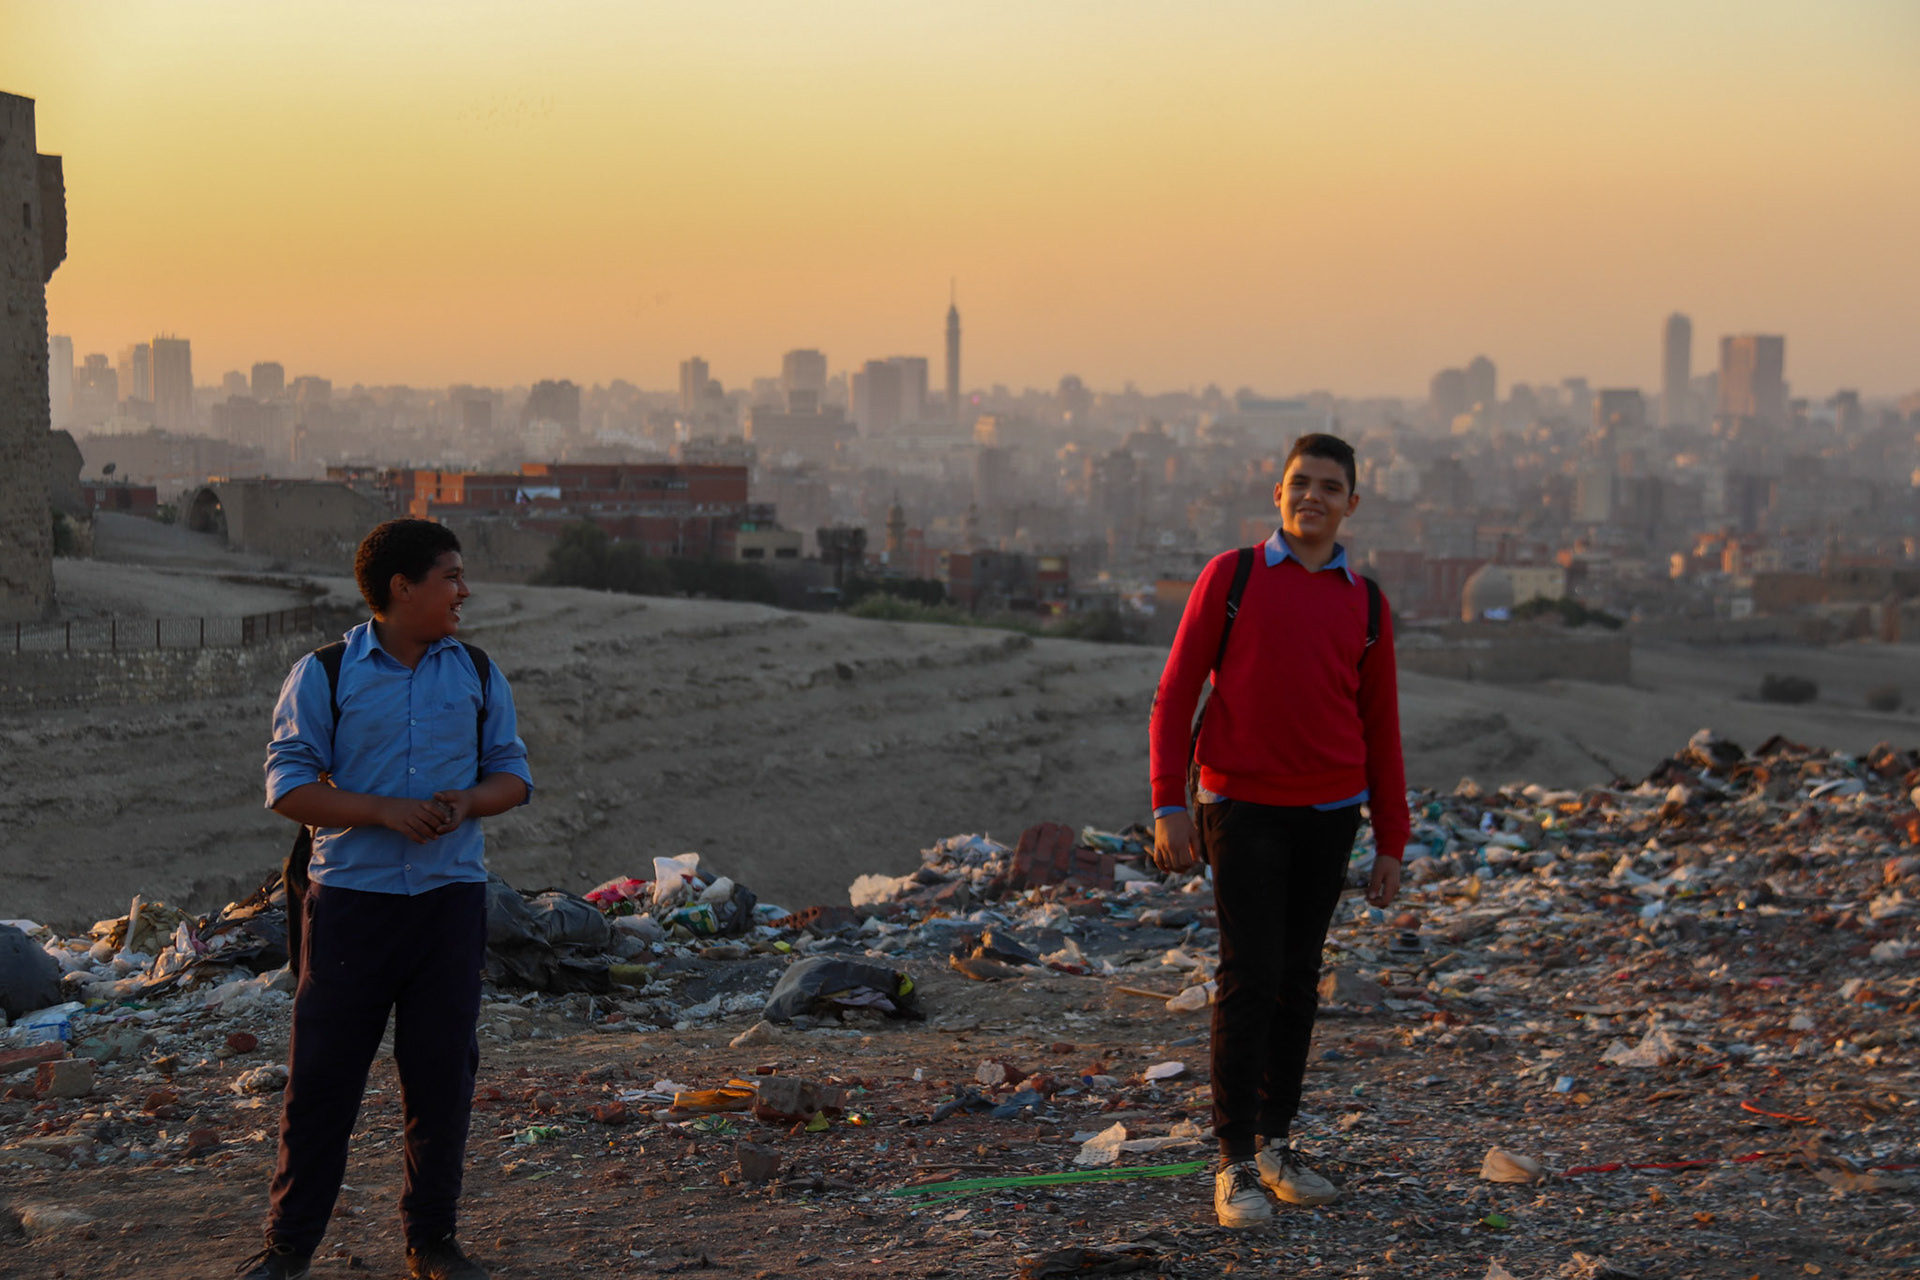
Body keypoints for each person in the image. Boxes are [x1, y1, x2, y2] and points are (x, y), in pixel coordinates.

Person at [238, 519, 533, 1280]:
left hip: (448, 906)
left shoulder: (475, 670)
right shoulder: (324, 674)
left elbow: (512, 775)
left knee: (440, 1081)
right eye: (451, 577)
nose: (464, 592)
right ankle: (287, 1249)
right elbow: (288, 788)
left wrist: (467, 803)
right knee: (322, 1085)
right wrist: (382, 811)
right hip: (351, 911)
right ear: (403, 588)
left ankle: (431, 1242)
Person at [1146, 433, 1408, 1229]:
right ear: (1278, 493)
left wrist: (1392, 839)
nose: (1313, 497)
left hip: (1331, 816)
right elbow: (1175, 691)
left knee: (1299, 979)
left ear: (1351, 504)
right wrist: (1166, 804)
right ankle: (1231, 1164)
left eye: (1330, 487)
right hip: (1242, 808)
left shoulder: (1363, 602)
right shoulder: (1232, 577)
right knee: (1248, 975)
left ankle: (1275, 1144)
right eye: (1301, 483)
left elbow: (1381, 727)